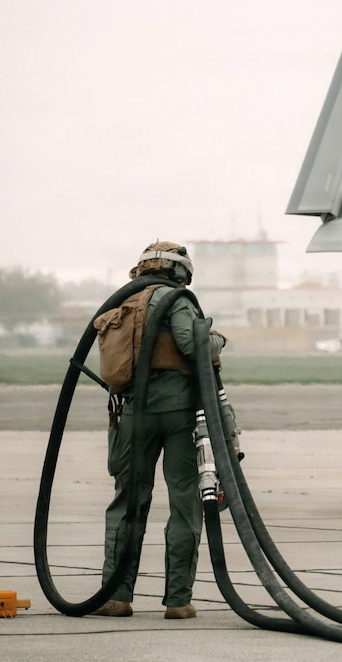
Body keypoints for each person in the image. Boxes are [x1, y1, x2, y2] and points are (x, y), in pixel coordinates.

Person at [92, 241, 227, 619]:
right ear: (180, 272)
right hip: (179, 415)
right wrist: (218, 340)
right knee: (185, 505)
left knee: (127, 504)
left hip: (132, 416)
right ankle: (178, 601)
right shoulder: (177, 300)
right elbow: (192, 342)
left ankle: (116, 597)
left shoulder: (123, 304)